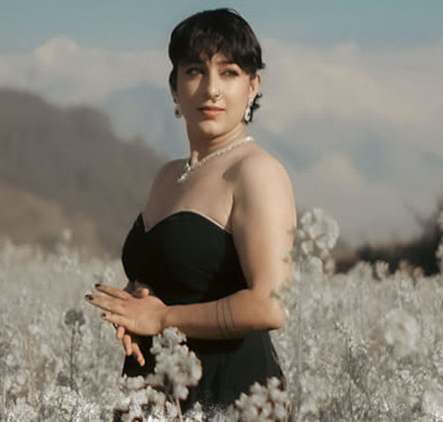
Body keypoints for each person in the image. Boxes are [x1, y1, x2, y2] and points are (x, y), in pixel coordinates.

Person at [85, 7, 296, 416]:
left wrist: (162, 319)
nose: (211, 89)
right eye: (195, 71)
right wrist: (133, 305)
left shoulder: (256, 172)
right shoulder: (168, 175)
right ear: (174, 87)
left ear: (253, 85)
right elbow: (173, 275)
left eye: (229, 72)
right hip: (153, 390)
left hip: (230, 395)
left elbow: (269, 306)